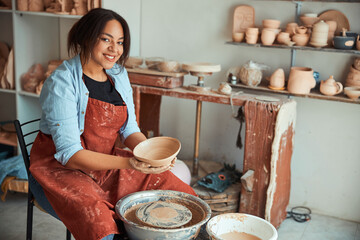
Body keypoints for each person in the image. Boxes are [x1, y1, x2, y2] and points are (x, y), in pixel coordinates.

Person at [29, 8, 196, 240]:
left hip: (106, 164)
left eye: (120, 42)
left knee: (182, 196)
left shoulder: (118, 74)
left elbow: (130, 130)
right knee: (101, 224)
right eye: (106, 39)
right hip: (60, 172)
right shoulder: (62, 83)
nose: (115, 49)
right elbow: (71, 155)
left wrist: (152, 155)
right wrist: (130, 163)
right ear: (87, 37)